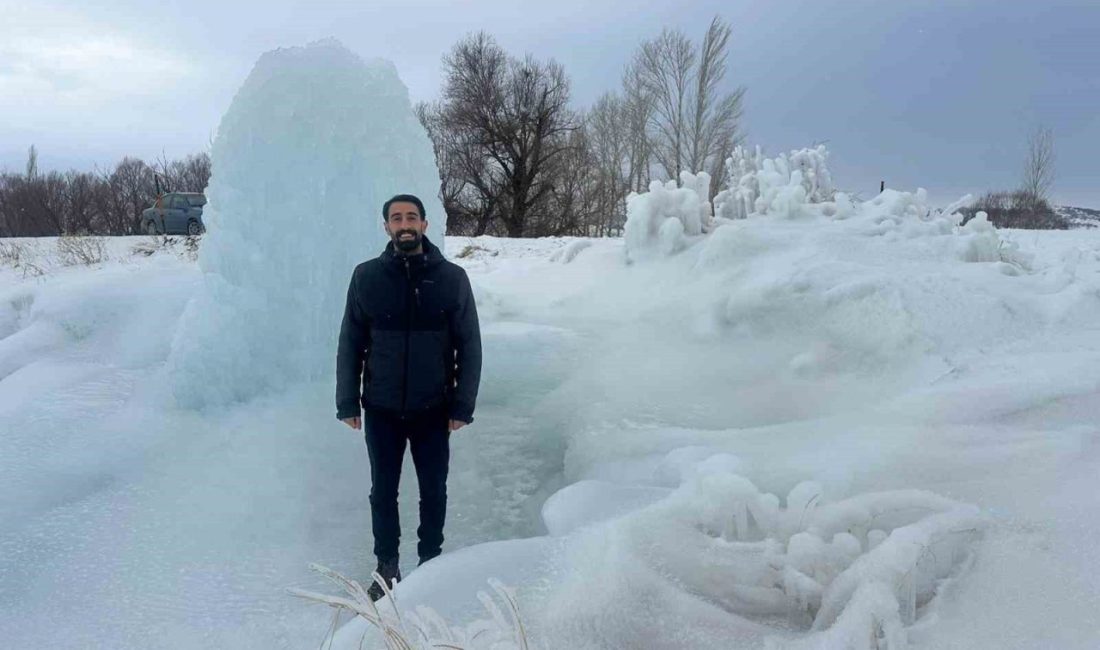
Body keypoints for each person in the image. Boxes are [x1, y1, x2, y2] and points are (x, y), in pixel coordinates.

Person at [336, 193, 482, 601]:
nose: (404, 224)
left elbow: (470, 345)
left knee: (433, 489)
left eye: (411, 217)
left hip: (433, 409)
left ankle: (431, 562)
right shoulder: (366, 277)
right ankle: (387, 567)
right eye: (396, 218)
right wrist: (347, 401)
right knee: (383, 491)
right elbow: (350, 342)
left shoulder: (451, 278)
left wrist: (462, 405)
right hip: (381, 408)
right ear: (386, 227)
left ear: (424, 225)